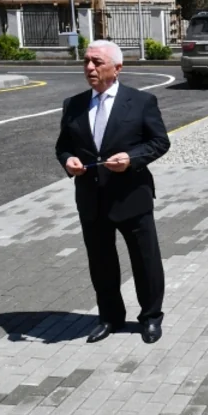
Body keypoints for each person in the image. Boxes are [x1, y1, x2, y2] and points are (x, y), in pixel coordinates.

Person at [56, 40, 170, 344]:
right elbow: (63, 145)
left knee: (145, 261)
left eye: (97, 62)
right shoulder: (74, 104)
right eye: (86, 62)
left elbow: (160, 142)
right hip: (91, 199)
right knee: (101, 262)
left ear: (117, 68)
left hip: (131, 196)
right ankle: (110, 317)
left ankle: (150, 317)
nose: (89, 68)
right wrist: (68, 161)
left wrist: (131, 160)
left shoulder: (141, 102)